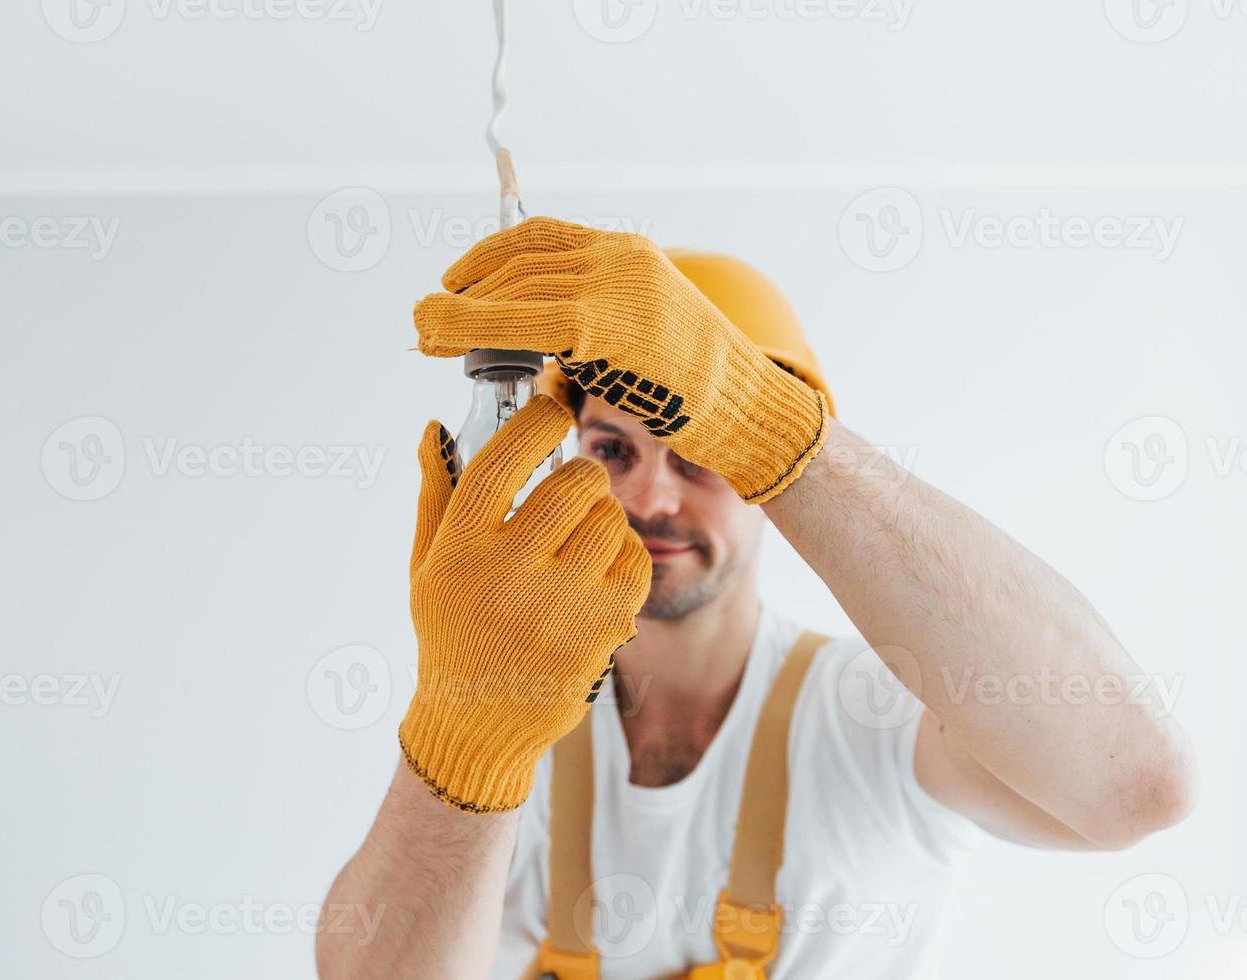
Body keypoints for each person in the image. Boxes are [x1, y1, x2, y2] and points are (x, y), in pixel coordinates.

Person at [316, 217, 1196, 979]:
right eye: (614, 451)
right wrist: (464, 736)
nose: (654, 501)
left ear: (769, 478)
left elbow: (1137, 786)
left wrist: (772, 428)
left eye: (703, 454)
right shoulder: (515, 729)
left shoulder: (881, 715)